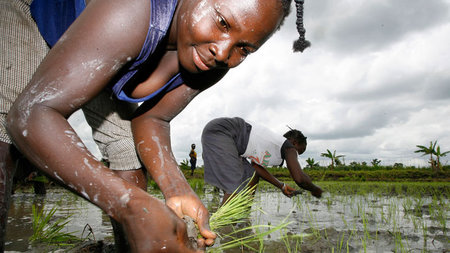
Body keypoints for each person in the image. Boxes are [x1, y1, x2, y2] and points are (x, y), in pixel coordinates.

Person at [0, 0, 311, 252]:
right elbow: (29, 115)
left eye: (244, 48)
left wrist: (178, 190)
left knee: (130, 158)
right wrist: (131, 206)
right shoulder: (134, 9)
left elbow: (153, 118)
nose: (224, 51)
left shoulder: (213, 60)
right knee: (4, 137)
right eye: (222, 23)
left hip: (106, 62)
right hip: (35, 17)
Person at [201, 117, 322, 205]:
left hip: (227, 140)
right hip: (222, 132)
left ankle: (243, 215)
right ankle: (220, 228)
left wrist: (282, 186)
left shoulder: (273, 149)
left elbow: (256, 168)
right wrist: (314, 189)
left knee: (251, 175)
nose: (296, 156)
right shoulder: (288, 147)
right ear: (294, 143)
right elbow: (299, 178)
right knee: (235, 187)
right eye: (299, 152)